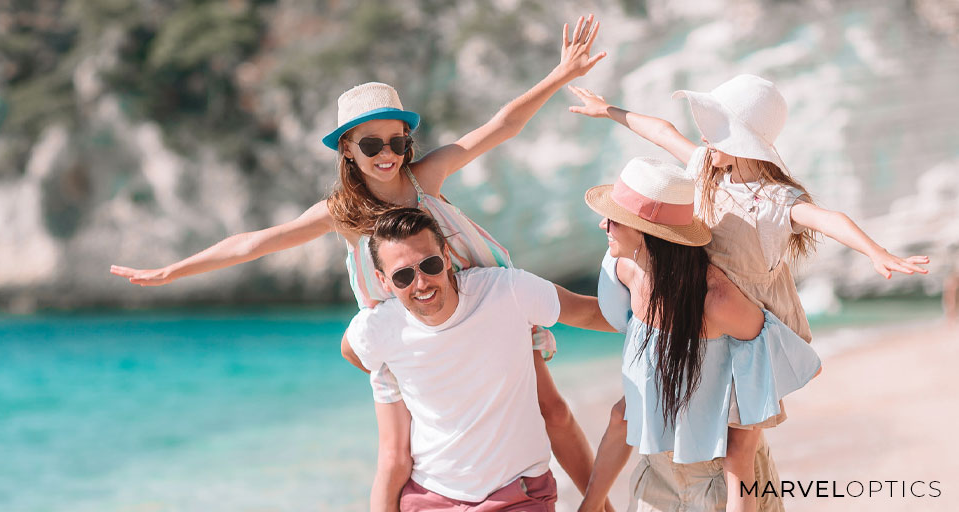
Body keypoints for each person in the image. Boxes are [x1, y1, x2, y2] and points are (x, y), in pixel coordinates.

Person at [110, 14, 611, 496]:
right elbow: (255, 242)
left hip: (481, 310)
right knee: (407, 449)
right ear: (347, 149)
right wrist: (174, 271)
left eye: (397, 140)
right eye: (371, 143)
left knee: (556, 413)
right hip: (413, 331)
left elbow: (502, 125)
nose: (387, 152)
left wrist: (560, 74)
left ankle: (600, 504)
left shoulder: (425, 178)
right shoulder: (342, 213)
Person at [569, 75, 927, 512]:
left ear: (741, 140)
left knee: (739, 447)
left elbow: (827, 217)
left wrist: (876, 251)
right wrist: (608, 110)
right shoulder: (704, 168)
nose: (703, 135)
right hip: (707, 311)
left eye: (715, 127)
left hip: (750, 329)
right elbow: (662, 131)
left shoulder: (776, 201)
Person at [578, 157, 822, 512]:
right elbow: (624, 413)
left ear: (646, 231)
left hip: (720, 486)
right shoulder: (627, 271)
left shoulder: (716, 299)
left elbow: (772, 376)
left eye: (615, 219)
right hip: (655, 476)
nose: (604, 225)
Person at [344, 207, 615, 511]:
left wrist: (665, 319)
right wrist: (400, 375)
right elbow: (351, 349)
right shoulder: (382, 327)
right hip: (429, 497)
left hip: (517, 494)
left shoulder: (506, 291)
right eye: (403, 275)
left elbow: (589, 312)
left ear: (446, 257)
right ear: (384, 281)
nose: (420, 283)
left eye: (429, 265)